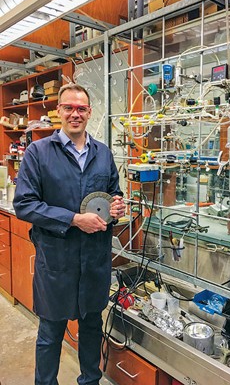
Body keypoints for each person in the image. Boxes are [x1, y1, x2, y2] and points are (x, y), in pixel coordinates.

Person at [13, 83, 126, 385]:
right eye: (69, 108)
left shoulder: (103, 154)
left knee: (91, 330)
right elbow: (24, 205)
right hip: (57, 262)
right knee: (50, 334)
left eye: (81, 108)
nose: (75, 113)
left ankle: (90, 380)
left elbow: (113, 193)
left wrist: (116, 206)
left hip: (94, 263)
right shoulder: (38, 152)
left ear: (89, 112)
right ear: (59, 111)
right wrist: (74, 219)